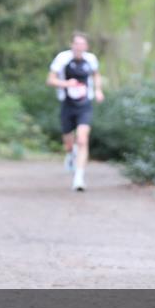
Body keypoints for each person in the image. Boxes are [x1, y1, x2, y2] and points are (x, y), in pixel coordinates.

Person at [48, 32, 104, 191]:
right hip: (67, 104)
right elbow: (50, 80)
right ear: (72, 45)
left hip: (84, 105)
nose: (79, 47)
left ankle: (79, 178)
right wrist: (66, 83)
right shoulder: (62, 58)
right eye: (76, 44)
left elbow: (96, 75)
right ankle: (70, 153)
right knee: (69, 142)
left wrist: (98, 90)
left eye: (82, 44)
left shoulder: (91, 59)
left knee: (82, 139)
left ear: (86, 46)